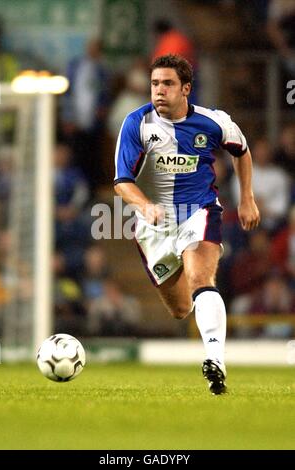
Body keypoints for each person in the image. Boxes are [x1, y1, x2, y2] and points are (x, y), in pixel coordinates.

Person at [114, 54, 260, 395]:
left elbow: (242, 150)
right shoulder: (136, 124)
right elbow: (122, 181)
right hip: (152, 227)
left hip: (199, 211)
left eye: (167, 84)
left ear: (186, 89)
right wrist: (146, 206)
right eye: (154, 84)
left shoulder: (214, 122)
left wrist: (247, 197)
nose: (159, 91)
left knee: (200, 278)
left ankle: (215, 359)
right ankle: (207, 322)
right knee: (181, 308)